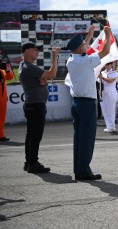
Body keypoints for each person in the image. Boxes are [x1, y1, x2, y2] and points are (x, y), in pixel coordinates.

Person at [65, 25, 111, 180]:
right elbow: (105, 52)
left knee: (79, 138)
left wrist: (90, 35)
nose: (87, 45)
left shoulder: (72, 59)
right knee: (87, 139)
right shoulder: (85, 61)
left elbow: (83, 49)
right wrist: (108, 34)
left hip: (77, 102)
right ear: (79, 49)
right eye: (84, 45)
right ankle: (83, 171)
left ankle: (79, 169)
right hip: (86, 103)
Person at [19, 42, 59, 173]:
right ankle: (33, 163)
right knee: (35, 136)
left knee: (31, 135)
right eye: (35, 50)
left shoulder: (25, 66)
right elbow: (52, 75)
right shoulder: (28, 67)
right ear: (26, 51)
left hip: (33, 105)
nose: (37, 52)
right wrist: (54, 57)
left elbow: (45, 80)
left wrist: (44, 80)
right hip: (35, 105)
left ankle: (29, 161)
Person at [98, 62, 118, 132]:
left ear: (111, 65)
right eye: (106, 64)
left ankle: (112, 126)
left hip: (111, 90)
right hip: (103, 91)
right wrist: (100, 77)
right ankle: (108, 126)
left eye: (108, 64)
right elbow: (99, 81)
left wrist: (102, 77)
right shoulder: (102, 72)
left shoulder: (114, 72)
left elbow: (111, 81)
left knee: (111, 110)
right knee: (105, 110)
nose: (107, 66)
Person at [0, 59, 14, 141]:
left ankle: (1, 135)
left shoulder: (2, 71)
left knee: (1, 117)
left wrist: (7, 70)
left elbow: (10, 77)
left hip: (2, 98)